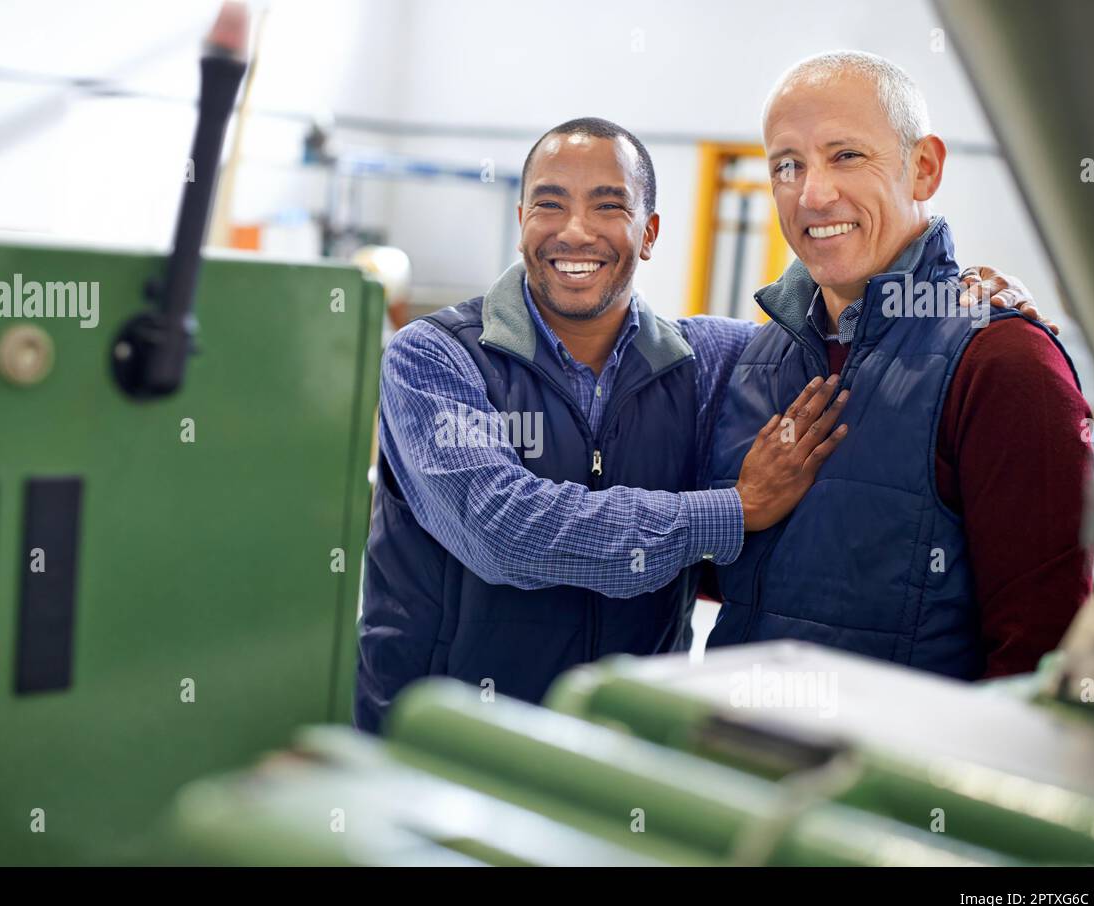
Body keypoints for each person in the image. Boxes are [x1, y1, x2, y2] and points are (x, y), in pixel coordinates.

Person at [355, 115, 1043, 733]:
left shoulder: (711, 361)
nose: (574, 231)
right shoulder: (435, 358)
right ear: (522, 220)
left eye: (609, 206)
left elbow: (842, 339)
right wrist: (733, 510)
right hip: (438, 743)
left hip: (612, 748)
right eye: (549, 204)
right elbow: (505, 531)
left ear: (649, 233)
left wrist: (954, 296)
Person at [703, 51, 1092, 679]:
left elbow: (1041, 662)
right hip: (732, 758)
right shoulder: (756, 358)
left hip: (891, 775)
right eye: (787, 165)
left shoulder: (1003, 364)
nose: (813, 193)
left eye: (846, 156)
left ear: (924, 168)